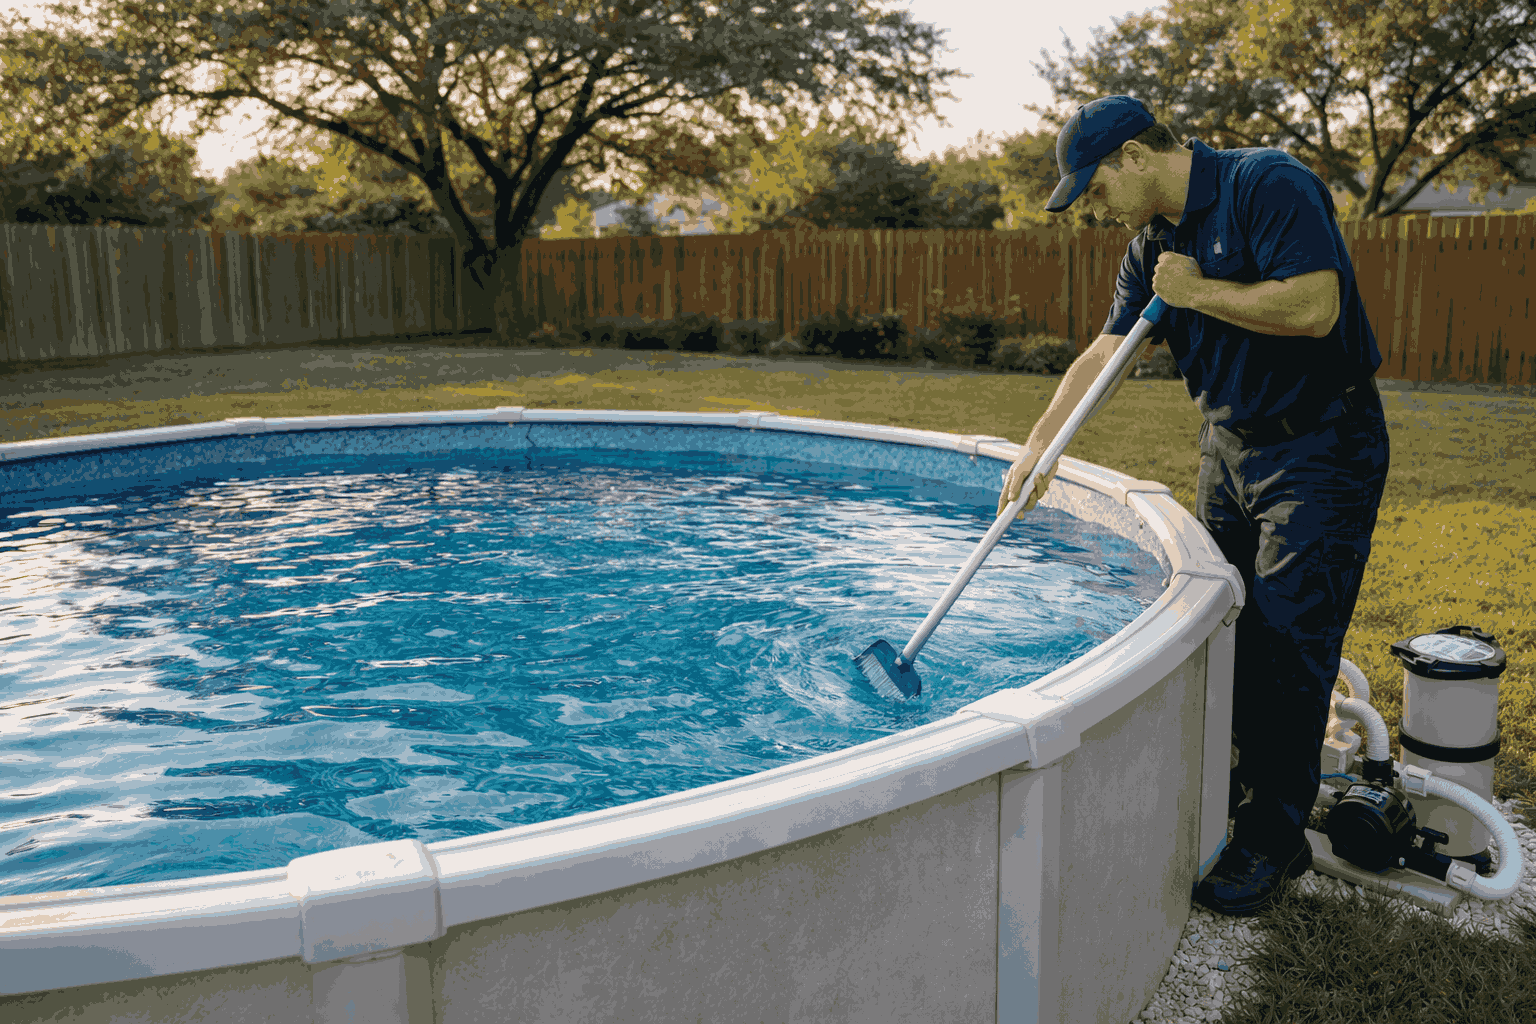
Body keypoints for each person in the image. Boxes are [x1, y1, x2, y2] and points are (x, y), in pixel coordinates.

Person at [999, 95, 1390, 917]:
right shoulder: (1153, 246)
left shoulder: (1267, 185)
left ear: (1136, 156)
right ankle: (1242, 782)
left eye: (1097, 188)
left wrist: (1199, 290)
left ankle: (1274, 840)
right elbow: (1106, 349)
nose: (1095, 210)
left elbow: (1316, 306)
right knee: (1218, 622)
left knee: (1291, 640)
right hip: (1230, 444)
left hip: (1319, 447)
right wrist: (1040, 445)